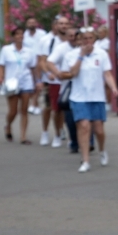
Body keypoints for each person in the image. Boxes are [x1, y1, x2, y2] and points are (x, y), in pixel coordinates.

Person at [59, 27, 118, 172]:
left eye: (90, 38)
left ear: (94, 39)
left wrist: (113, 87)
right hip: (79, 97)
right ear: (79, 40)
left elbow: (107, 74)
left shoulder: (102, 54)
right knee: (84, 127)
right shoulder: (72, 55)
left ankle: (102, 150)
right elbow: (72, 73)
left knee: (98, 130)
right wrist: (81, 56)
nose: (87, 41)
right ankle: (85, 160)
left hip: (97, 97)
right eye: (84, 38)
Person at [0, 28, 38, 144]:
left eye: (21, 34)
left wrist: (37, 82)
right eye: (17, 34)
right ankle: (8, 125)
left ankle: (23, 136)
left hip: (26, 82)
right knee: (13, 111)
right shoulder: (6, 49)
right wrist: (0, 77)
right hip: (11, 83)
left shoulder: (29, 51)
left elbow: (33, 68)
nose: (20, 36)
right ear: (13, 37)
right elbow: (1, 65)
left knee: (24, 110)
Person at [46, 26, 82, 153]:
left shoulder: (85, 49)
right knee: (69, 117)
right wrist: (57, 73)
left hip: (84, 88)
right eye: (70, 36)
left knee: (85, 118)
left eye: (75, 36)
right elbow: (49, 62)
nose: (73, 39)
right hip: (67, 87)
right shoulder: (62, 49)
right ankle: (72, 140)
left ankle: (87, 141)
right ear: (66, 37)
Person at [37, 16, 68, 147]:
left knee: (62, 109)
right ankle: (45, 132)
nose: (63, 26)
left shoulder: (72, 39)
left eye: (65, 24)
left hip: (67, 80)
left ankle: (59, 132)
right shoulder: (47, 41)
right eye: (60, 24)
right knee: (49, 108)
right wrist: (48, 73)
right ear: (54, 25)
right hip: (51, 81)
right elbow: (42, 61)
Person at [22, 16, 46, 114]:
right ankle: (35, 105)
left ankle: (33, 104)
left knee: (39, 83)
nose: (31, 24)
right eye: (29, 22)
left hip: (40, 60)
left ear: (36, 23)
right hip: (29, 62)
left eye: (33, 22)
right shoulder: (24, 35)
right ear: (27, 24)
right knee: (33, 84)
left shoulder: (42, 34)